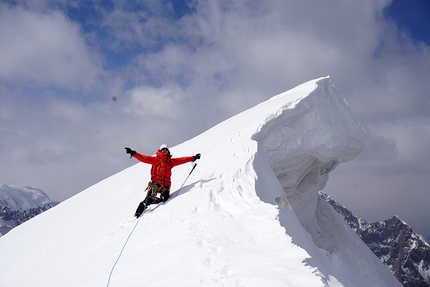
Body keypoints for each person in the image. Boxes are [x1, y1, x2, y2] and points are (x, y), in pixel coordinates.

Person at [125, 144, 201, 218]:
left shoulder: (170, 162)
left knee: (165, 198)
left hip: (165, 186)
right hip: (156, 184)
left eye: (166, 150)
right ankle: (137, 214)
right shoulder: (156, 160)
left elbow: (181, 160)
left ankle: (156, 201)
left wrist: (193, 158)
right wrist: (133, 153)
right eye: (163, 150)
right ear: (160, 151)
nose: (165, 151)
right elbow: (143, 158)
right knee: (147, 200)